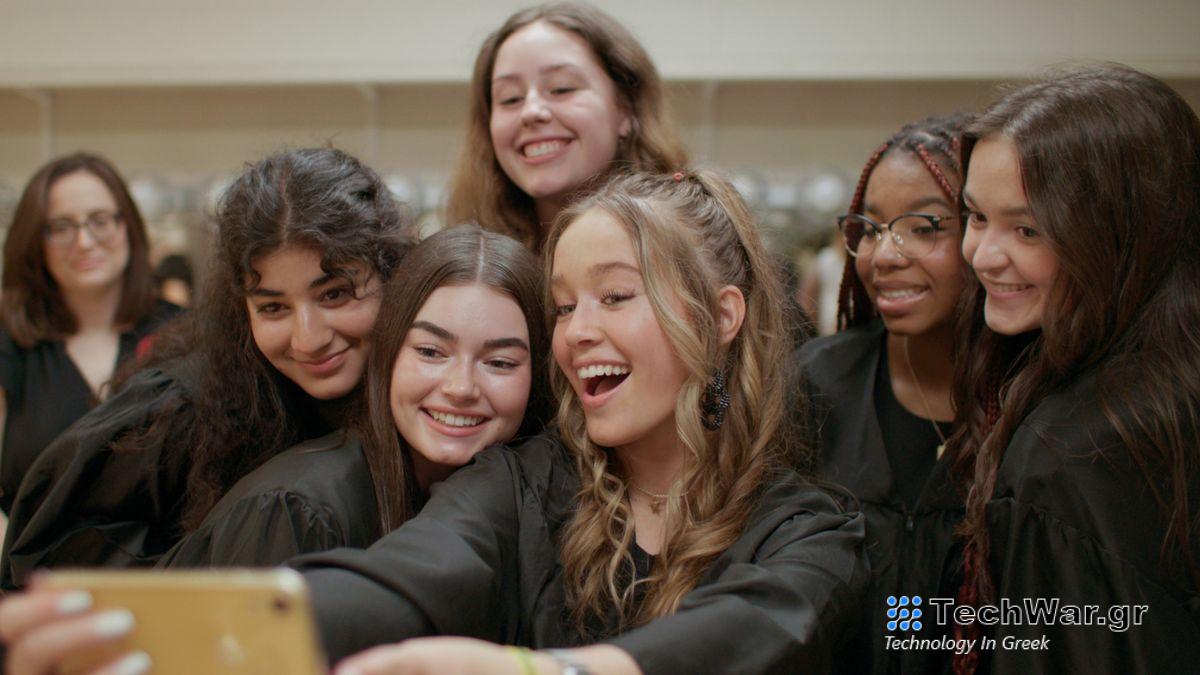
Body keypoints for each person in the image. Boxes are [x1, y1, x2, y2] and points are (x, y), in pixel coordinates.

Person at [0, 147, 414, 589]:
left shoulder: (416, 384)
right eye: (273, 307)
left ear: (391, 276)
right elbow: (48, 560)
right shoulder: (184, 408)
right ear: (242, 309)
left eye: (334, 294)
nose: (307, 339)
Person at [949, 65, 1200, 673]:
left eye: (1027, 229)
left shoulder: (1070, 456)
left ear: (1121, 236)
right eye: (976, 216)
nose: (982, 255)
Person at [158, 224, 551, 567]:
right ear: (388, 353)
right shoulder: (296, 511)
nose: (461, 387)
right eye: (430, 352)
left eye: (499, 362)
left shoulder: (535, 501)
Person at [794, 114, 972, 673]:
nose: (884, 254)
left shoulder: (1041, 407)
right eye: (869, 228)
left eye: (924, 226)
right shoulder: (818, 383)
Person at [0, 152, 181, 515]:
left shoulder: (183, 333)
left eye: (99, 221)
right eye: (61, 227)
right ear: (37, 242)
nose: (84, 242)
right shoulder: (9, 337)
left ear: (127, 225)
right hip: (32, 566)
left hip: (163, 568)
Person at [445, 2, 688, 251]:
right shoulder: (470, 266)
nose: (531, 111)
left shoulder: (694, 252)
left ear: (625, 109)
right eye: (511, 98)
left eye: (562, 88)